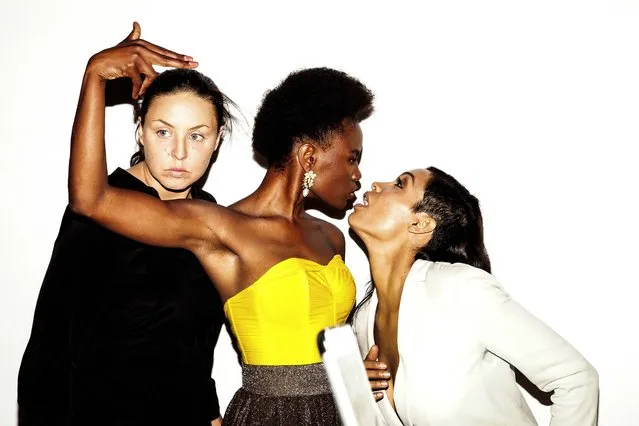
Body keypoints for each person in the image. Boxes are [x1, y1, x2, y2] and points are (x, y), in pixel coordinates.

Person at [66, 23, 374, 425]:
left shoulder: (332, 236)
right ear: (311, 158)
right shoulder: (220, 226)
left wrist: (355, 371)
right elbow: (91, 200)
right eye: (352, 157)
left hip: (339, 411)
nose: (358, 174)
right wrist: (95, 78)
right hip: (270, 414)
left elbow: (325, 341)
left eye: (197, 135)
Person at [18, 25, 236, 426]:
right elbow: (50, 348)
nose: (179, 152)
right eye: (163, 131)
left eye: (198, 135)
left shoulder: (213, 217)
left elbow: (195, 346)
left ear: (218, 140)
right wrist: (95, 75)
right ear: (140, 130)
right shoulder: (101, 210)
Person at [349, 167, 599, 426]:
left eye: (400, 184)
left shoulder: (459, 289)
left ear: (420, 224)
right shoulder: (362, 321)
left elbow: (576, 378)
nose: (377, 184)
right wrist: (356, 393)